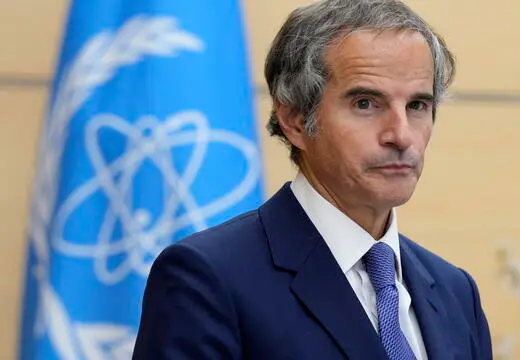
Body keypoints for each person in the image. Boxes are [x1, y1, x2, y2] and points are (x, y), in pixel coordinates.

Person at [132, 0, 493, 359]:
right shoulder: (208, 278)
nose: (401, 136)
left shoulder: (456, 292)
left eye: (417, 106)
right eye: (366, 103)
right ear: (295, 119)